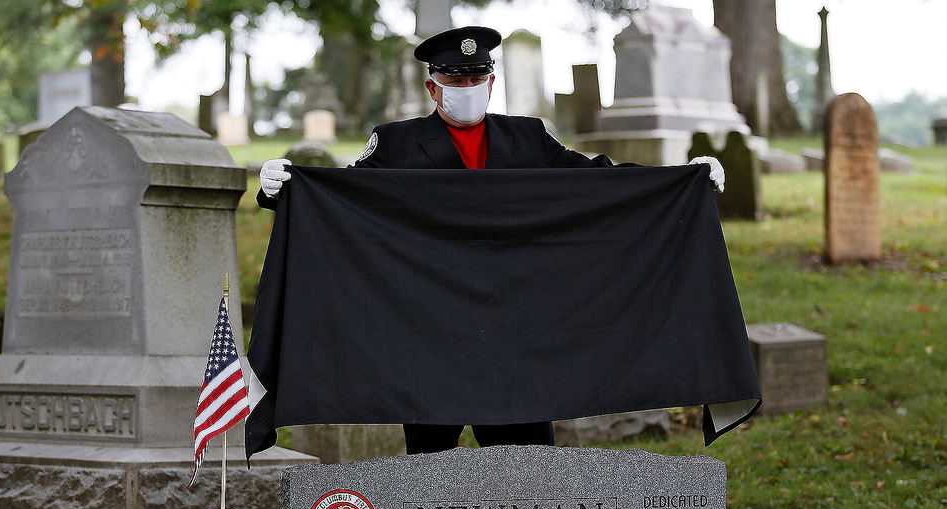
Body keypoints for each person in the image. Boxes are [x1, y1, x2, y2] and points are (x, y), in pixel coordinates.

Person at [256, 26, 725, 455]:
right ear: (432, 87)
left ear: (491, 83)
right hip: (427, 338)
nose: (467, 90)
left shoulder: (528, 137)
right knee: (429, 479)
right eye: (455, 81)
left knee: (526, 473)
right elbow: (345, 202)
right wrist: (286, 190)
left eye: (476, 79)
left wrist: (681, 179)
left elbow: (597, 182)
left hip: (516, 337)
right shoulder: (396, 142)